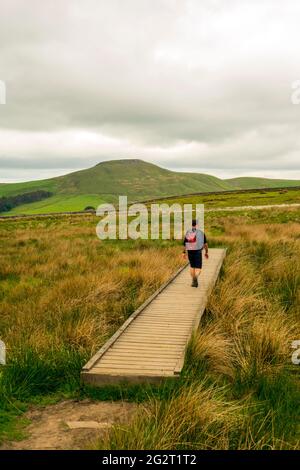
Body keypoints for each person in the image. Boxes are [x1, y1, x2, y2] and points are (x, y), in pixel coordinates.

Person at [182, 219, 208, 287]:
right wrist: (206, 252)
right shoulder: (201, 233)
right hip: (198, 251)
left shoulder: (188, 232)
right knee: (198, 268)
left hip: (190, 251)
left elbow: (185, 244)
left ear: (191, 225)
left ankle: (193, 281)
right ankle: (195, 277)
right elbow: (205, 244)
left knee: (192, 266)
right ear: (197, 225)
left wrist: (184, 252)